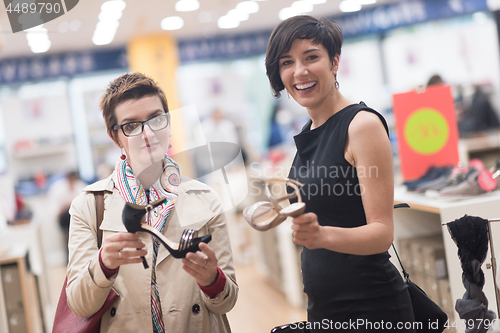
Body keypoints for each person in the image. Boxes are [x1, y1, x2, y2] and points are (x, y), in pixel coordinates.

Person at [265, 16, 415, 331]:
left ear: (334, 62)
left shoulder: (361, 126)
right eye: (287, 62)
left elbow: (381, 232)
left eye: (311, 57)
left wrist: (321, 236)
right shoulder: (310, 129)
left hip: (372, 307)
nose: (300, 71)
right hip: (324, 308)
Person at [66, 73, 238, 332]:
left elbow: (226, 302)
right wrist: (103, 264)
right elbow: (80, 306)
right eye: (131, 126)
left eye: (156, 119)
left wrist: (212, 280)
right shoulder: (89, 206)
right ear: (116, 138)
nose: (147, 133)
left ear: (168, 125)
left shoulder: (205, 199)